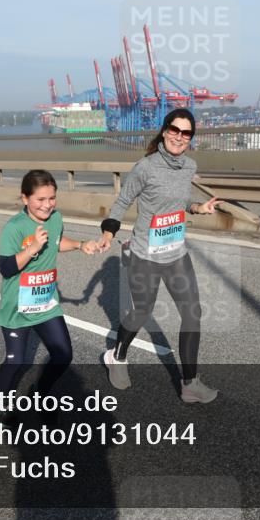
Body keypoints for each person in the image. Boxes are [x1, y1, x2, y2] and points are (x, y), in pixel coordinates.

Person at [95, 109, 223, 403]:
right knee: (142, 311)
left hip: (176, 252)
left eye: (186, 133)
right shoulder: (146, 167)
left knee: (193, 313)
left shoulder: (189, 166)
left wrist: (197, 208)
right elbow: (123, 200)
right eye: (175, 130)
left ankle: (190, 383)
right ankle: (117, 355)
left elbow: (180, 198)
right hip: (145, 254)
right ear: (165, 131)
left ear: (191, 138)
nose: (180, 136)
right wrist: (108, 233)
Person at [0, 170, 98, 421]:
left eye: (51, 198)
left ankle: (40, 394)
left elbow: (56, 241)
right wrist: (31, 248)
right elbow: (6, 268)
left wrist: (79, 245)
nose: (47, 205)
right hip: (18, 306)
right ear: (25, 198)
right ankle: (1, 400)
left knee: (63, 354)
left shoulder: (56, 218)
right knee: (16, 360)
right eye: (40, 199)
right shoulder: (15, 227)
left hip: (46, 302)